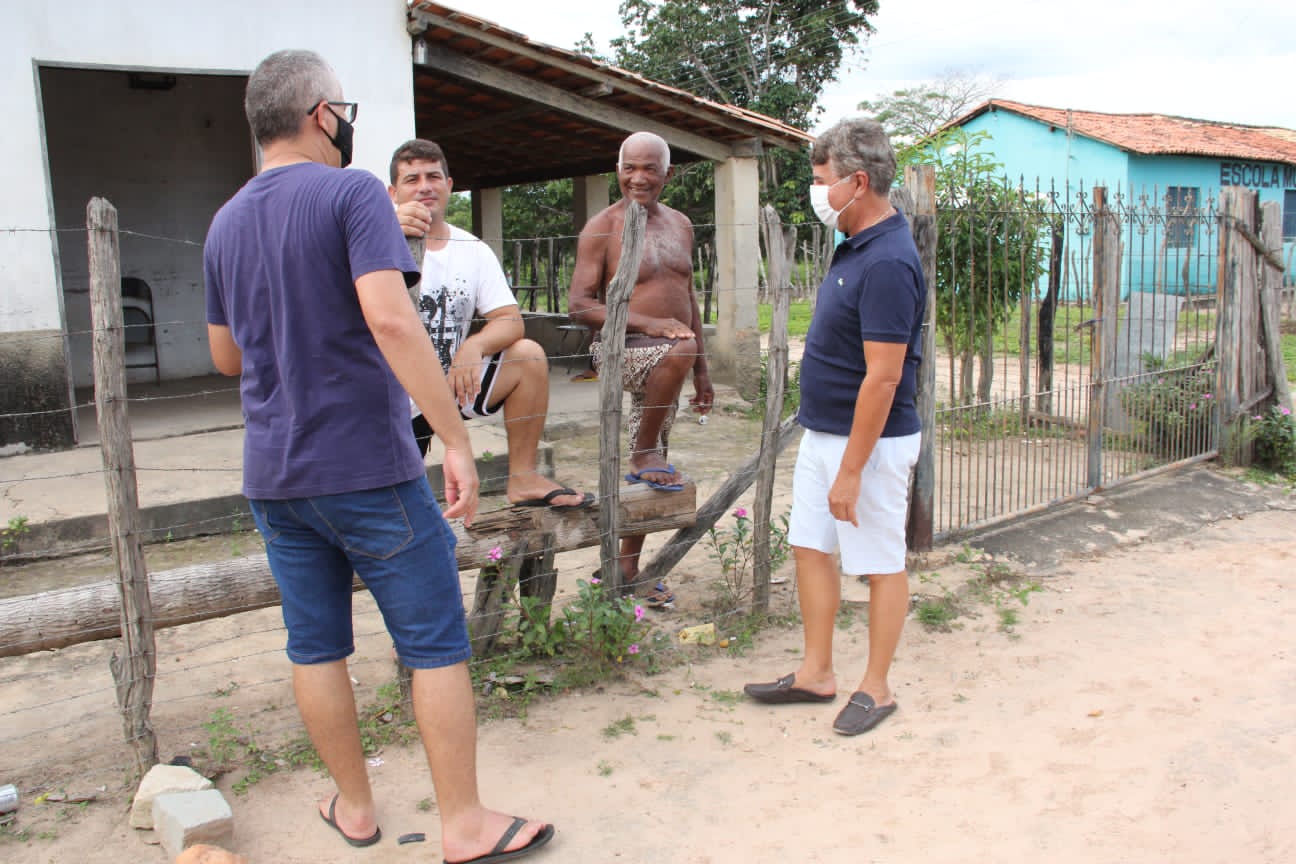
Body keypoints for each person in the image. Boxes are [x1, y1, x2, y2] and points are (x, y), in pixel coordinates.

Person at [203, 50, 553, 862]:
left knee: (315, 643)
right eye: (344, 108)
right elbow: (393, 322)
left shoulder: (225, 220)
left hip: (274, 474)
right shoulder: (353, 193)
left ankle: (355, 808)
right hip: (366, 464)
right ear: (323, 113)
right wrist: (457, 439)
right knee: (434, 642)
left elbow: (225, 356)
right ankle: (462, 823)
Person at [744, 118, 926, 737]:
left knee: (879, 562)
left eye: (822, 181)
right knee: (810, 547)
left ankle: (876, 687)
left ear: (857, 181)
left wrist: (851, 470)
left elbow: (884, 378)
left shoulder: (889, 262)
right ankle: (816, 671)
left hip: (869, 444)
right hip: (825, 432)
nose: (816, 192)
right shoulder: (856, 245)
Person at [389, 139, 591, 512]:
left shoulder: (472, 250)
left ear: (450, 186)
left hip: (452, 383)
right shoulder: (373, 238)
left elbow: (510, 320)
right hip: (389, 397)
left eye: (434, 176)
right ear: (393, 192)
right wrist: (388, 231)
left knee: (527, 356)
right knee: (398, 511)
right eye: (411, 179)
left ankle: (523, 477)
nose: (424, 186)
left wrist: (474, 346)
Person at [568, 131, 714, 607]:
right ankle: (643, 450)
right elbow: (579, 305)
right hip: (618, 351)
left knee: (655, 471)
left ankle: (626, 568)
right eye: (630, 167)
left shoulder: (681, 225)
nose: (638, 177)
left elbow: (689, 299)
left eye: (650, 168)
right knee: (647, 449)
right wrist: (650, 322)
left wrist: (703, 372)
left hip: (672, 359)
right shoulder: (602, 226)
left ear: (667, 174)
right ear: (618, 170)